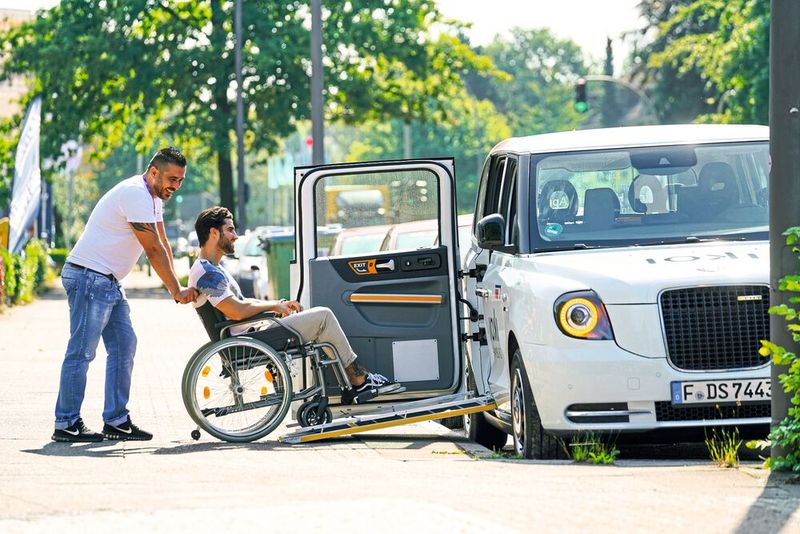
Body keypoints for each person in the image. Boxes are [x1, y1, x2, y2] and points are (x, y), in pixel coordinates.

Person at [52, 147, 198, 443]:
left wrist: (179, 286)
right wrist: (176, 289)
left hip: (107, 281)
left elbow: (163, 241)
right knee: (81, 351)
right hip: (89, 277)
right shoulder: (135, 193)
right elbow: (152, 249)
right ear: (154, 172)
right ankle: (66, 423)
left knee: (124, 345)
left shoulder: (154, 197)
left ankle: (116, 420)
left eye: (180, 181)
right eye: (172, 178)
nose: (176, 186)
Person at [188, 206, 401, 404]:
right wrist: (273, 308)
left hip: (250, 334)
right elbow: (236, 311)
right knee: (323, 317)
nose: (235, 236)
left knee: (317, 319)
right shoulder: (208, 273)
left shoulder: (210, 268)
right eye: (230, 230)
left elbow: (242, 303)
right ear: (214, 233)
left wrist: (276, 305)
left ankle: (352, 382)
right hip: (247, 340)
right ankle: (360, 381)